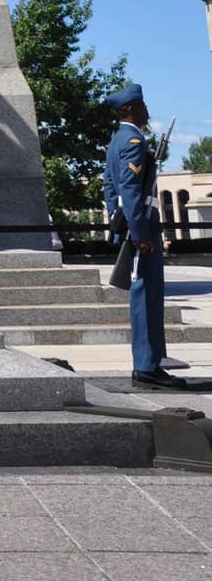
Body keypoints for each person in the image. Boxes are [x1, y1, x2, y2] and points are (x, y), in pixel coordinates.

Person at [103, 82, 184, 389]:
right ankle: (147, 365)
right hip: (142, 229)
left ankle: (151, 362)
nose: (145, 110)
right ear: (128, 109)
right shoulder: (133, 140)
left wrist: (117, 222)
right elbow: (129, 190)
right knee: (145, 297)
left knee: (149, 295)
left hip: (137, 226)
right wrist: (137, 232)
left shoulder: (116, 141)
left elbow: (111, 189)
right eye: (140, 106)